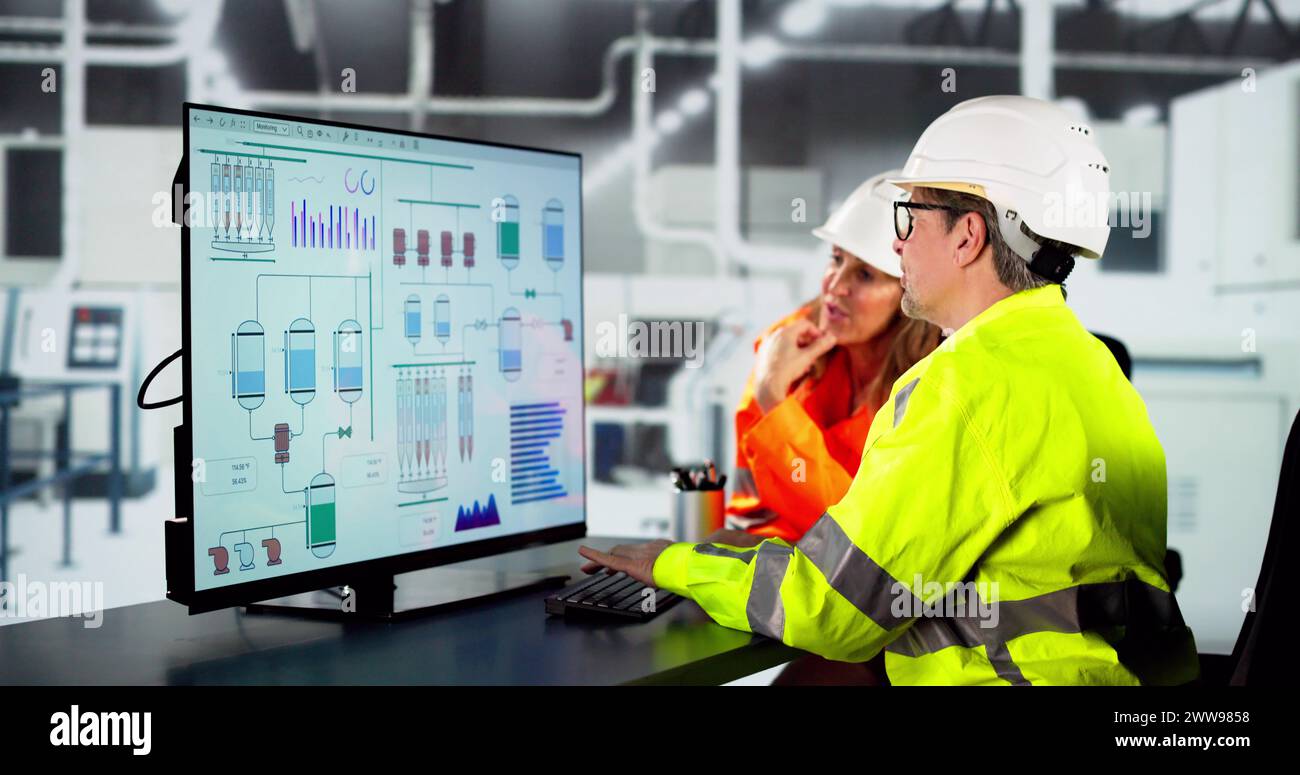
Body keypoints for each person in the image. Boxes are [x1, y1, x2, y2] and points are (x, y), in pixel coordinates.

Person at [580, 95, 1200, 685]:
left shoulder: (964, 384)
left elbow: (831, 610)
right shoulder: (1089, 363)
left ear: (968, 236)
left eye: (909, 215)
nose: (898, 239)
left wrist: (672, 564)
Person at [724, 171, 941, 543]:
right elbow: (752, 512)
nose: (835, 285)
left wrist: (774, 400)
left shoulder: (931, 389)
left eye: (865, 275)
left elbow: (857, 533)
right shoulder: (786, 349)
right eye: (835, 259)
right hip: (769, 560)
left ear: (908, 297)